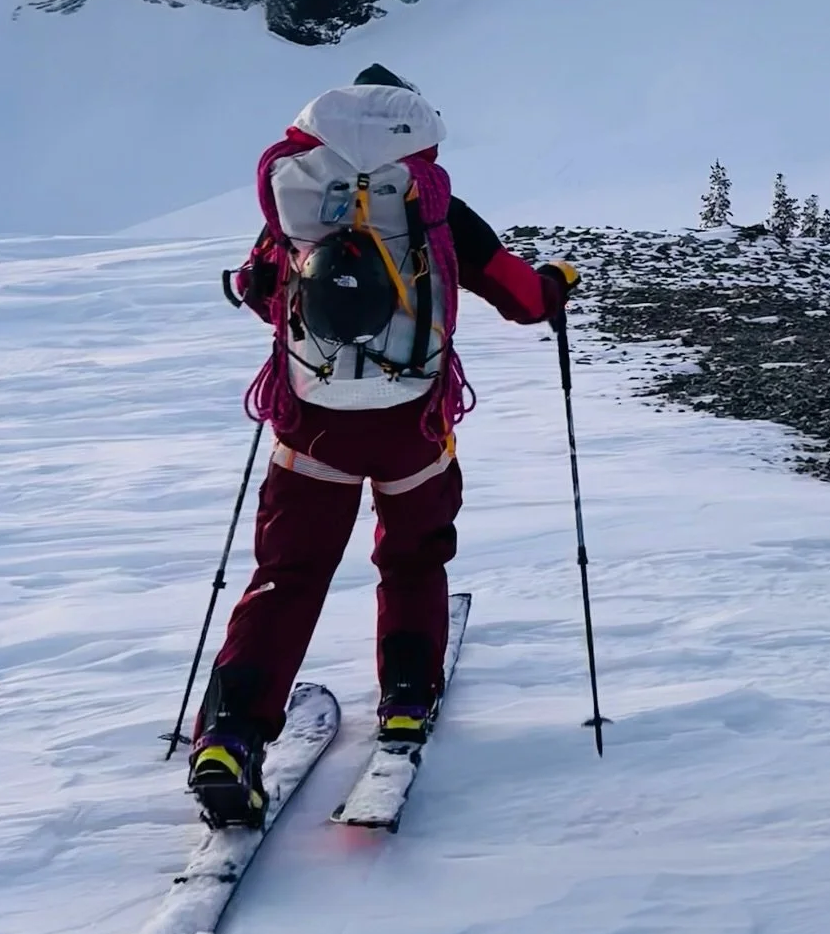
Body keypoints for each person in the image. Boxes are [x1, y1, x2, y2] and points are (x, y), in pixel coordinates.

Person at [188, 64, 577, 826]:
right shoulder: (435, 208)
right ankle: (403, 705)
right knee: (412, 557)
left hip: (312, 429)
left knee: (287, 575)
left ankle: (230, 736)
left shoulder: (299, 203)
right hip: (415, 430)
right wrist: (558, 280)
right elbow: (525, 300)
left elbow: (262, 291)